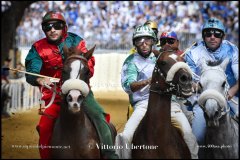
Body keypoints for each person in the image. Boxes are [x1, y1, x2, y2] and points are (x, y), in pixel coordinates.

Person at [25, 11, 118, 159]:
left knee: (101, 119)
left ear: (64, 27)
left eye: (57, 26)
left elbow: (89, 65)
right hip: (54, 96)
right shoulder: (37, 48)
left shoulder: (76, 41)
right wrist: (39, 79)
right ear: (44, 30)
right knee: (43, 127)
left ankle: (110, 154)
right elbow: (31, 72)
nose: (52, 30)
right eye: (48, 27)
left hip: (81, 92)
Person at [116, 25, 198, 159]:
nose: (143, 44)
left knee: (189, 134)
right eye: (139, 40)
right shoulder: (131, 61)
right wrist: (148, 81)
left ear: (153, 41)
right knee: (126, 136)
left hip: (170, 103)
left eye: (147, 40)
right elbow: (127, 86)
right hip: (143, 105)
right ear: (135, 44)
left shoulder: (163, 57)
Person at [184, 17, 239, 158]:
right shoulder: (193, 52)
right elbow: (190, 81)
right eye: (208, 34)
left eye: (217, 34)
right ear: (203, 36)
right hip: (203, 99)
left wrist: (231, 92)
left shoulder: (232, 50)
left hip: (230, 97)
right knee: (198, 138)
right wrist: (201, 88)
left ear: (223, 36)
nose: (212, 37)